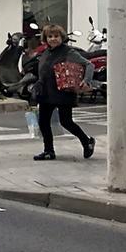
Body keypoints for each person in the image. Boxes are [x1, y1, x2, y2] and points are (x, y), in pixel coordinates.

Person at [33, 23, 96, 161]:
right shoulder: (46, 52)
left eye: (56, 36)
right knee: (43, 122)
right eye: (50, 36)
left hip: (63, 92)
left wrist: (86, 81)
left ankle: (87, 142)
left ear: (62, 37)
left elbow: (89, 64)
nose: (53, 39)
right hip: (46, 92)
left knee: (66, 121)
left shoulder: (68, 52)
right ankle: (48, 151)